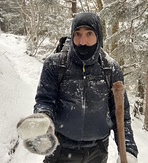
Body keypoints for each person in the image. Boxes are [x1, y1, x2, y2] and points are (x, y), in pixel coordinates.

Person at [17, 12, 138, 163]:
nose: (83, 41)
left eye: (89, 34)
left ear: (98, 36)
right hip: (61, 150)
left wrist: (128, 151)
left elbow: (121, 116)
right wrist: (43, 120)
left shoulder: (111, 69)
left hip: (97, 152)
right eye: (78, 34)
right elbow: (45, 100)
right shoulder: (55, 65)